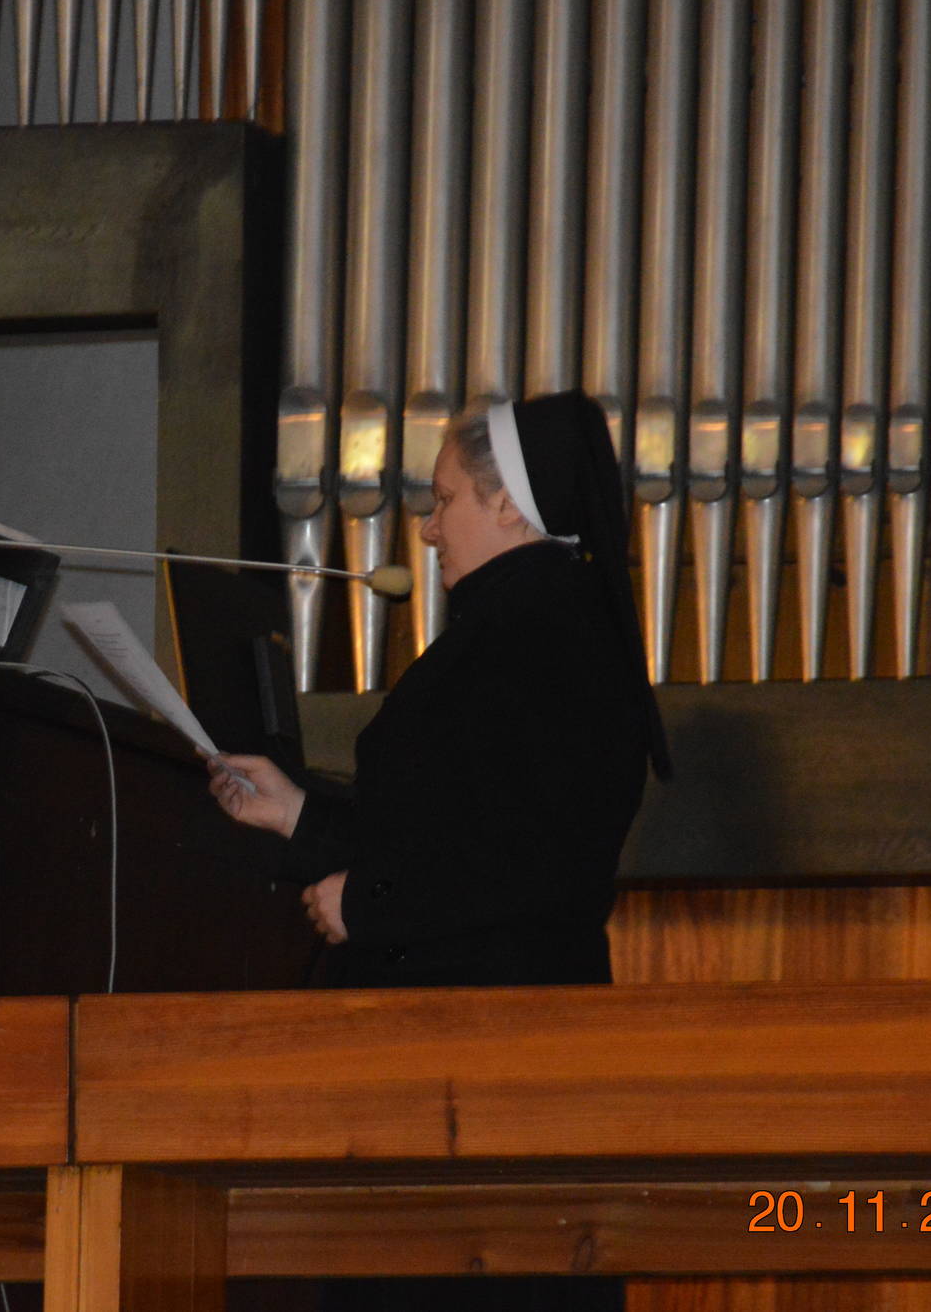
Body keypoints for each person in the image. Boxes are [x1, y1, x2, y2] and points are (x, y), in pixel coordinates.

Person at [208, 391, 671, 1311]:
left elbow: (531, 863)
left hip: (491, 1067)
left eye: (444, 500)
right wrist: (297, 815)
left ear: (509, 504)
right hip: (464, 1060)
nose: (425, 530)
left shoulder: (543, 635)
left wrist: (367, 903)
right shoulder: (522, 625)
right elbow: (447, 830)